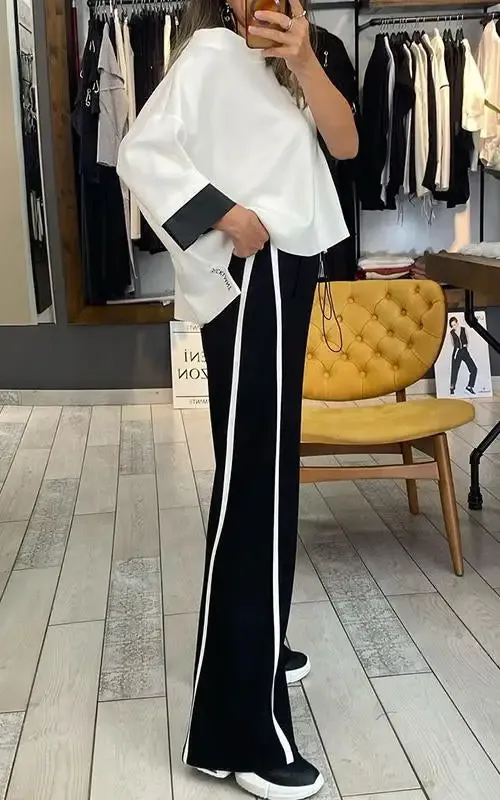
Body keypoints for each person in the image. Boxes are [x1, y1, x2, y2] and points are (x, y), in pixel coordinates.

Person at [117, 1, 357, 797]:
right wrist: (226, 215)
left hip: (282, 277)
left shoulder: (288, 63)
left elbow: (347, 145)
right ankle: (236, 731)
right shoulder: (212, 54)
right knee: (255, 486)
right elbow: (139, 152)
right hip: (257, 278)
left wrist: (305, 61)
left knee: (265, 475)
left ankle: (254, 647)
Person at [449, 316, 478, 395]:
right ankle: (452, 388)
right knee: (454, 370)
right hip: (456, 352)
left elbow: (467, 340)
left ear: (457, 323)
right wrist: (458, 347)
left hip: (464, 351)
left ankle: (469, 386)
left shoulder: (464, 329)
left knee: (474, 369)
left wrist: (464, 347)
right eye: (452, 326)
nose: (454, 327)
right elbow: (452, 343)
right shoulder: (451, 333)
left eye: (454, 324)